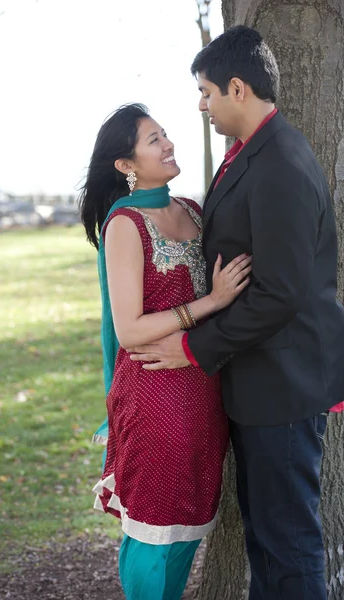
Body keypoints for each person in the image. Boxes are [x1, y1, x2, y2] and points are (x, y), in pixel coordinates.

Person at [127, 27, 344, 599]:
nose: (201, 104)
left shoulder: (279, 161)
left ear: (237, 88)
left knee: (287, 545)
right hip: (263, 379)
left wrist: (191, 347)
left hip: (284, 384)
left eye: (207, 91)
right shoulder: (249, 154)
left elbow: (280, 294)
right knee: (265, 538)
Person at [78, 103, 252, 600]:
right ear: (126, 165)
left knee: (187, 535)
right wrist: (213, 300)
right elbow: (130, 329)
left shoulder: (194, 212)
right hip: (153, 398)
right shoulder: (125, 226)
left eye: (166, 134)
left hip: (204, 396)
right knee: (152, 537)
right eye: (153, 140)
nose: (168, 143)